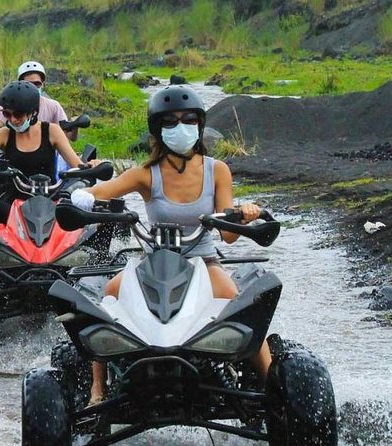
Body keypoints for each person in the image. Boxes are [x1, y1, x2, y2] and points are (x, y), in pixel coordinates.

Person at [70, 84, 273, 405]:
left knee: (240, 306)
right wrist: (79, 197)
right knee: (108, 295)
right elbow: (103, 191)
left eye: (189, 120)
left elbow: (229, 236)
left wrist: (244, 214)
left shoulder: (217, 170)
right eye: (171, 122)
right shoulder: (146, 174)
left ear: (200, 125)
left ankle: (273, 387)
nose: (181, 127)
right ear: (157, 129)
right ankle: (98, 390)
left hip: (204, 262)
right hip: (154, 263)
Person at [0, 80, 90, 227]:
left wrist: (90, 167)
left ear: (33, 112)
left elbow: (76, 164)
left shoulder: (52, 131)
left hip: (48, 202)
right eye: (7, 114)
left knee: (76, 215)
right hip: (14, 206)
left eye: (18, 114)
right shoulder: (5, 134)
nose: (13, 120)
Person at [0, 60, 78, 141]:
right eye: (28, 84)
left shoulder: (53, 106)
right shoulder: (8, 104)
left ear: (43, 84)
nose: (33, 88)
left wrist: (75, 126)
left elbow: (66, 137)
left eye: (37, 84)